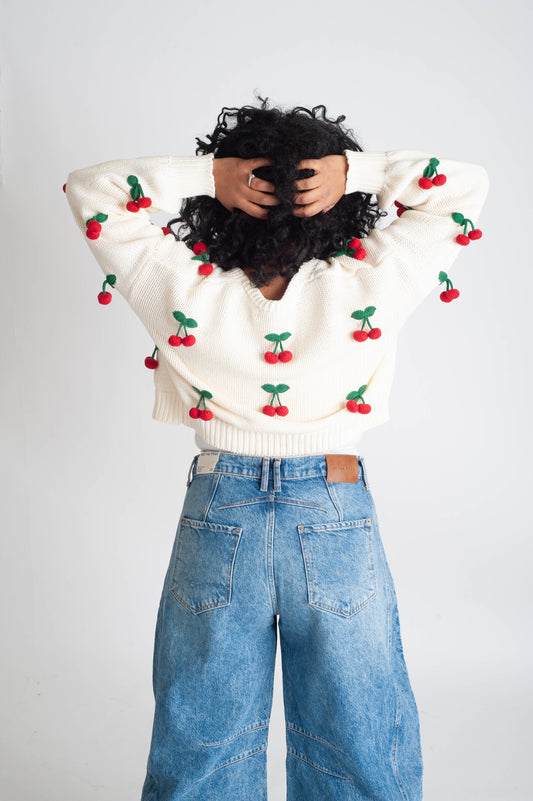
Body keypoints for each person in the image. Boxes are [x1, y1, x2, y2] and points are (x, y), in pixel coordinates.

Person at [64, 95, 489, 801]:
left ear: (224, 207)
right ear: (338, 206)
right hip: (332, 507)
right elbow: (463, 189)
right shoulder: (370, 282)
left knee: (202, 741)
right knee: (357, 740)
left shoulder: (182, 286)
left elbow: (91, 190)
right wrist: (357, 170)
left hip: (217, 508)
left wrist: (215, 174)